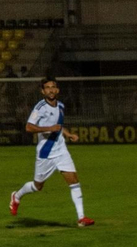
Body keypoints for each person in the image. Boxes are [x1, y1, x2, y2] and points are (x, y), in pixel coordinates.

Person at [8, 77, 93, 227]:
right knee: (37, 186)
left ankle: (81, 218)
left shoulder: (60, 106)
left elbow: (58, 125)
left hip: (61, 150)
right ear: (43, 91)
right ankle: (17, 196)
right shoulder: (39, 108)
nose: (51, 90)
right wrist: (48, 129)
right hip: (46, 152)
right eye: (47, 87)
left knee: (74, 181)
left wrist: (68, 134)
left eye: (53, 87)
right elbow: (29, 127)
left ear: (57, 90)